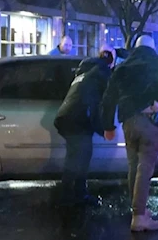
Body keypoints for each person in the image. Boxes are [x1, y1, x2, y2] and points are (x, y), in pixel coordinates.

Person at [101, 35, 158, 232]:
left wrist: (108, 126)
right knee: (145, 168)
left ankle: (139, 211)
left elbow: (109, 98)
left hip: (128, 121)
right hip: (148, 121)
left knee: (133, 167)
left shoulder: (122, 67)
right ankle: (139, 217)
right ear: (152, 48)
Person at [53, 46, 117, 206]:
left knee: (75, 156)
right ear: (111, 62)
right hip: (78, 120)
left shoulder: (84, 72)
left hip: (66, 117)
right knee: (80, 157)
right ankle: (71, 196)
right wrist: (104, 129)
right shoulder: (102, 74)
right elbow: (97, 105)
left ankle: (73, 193)